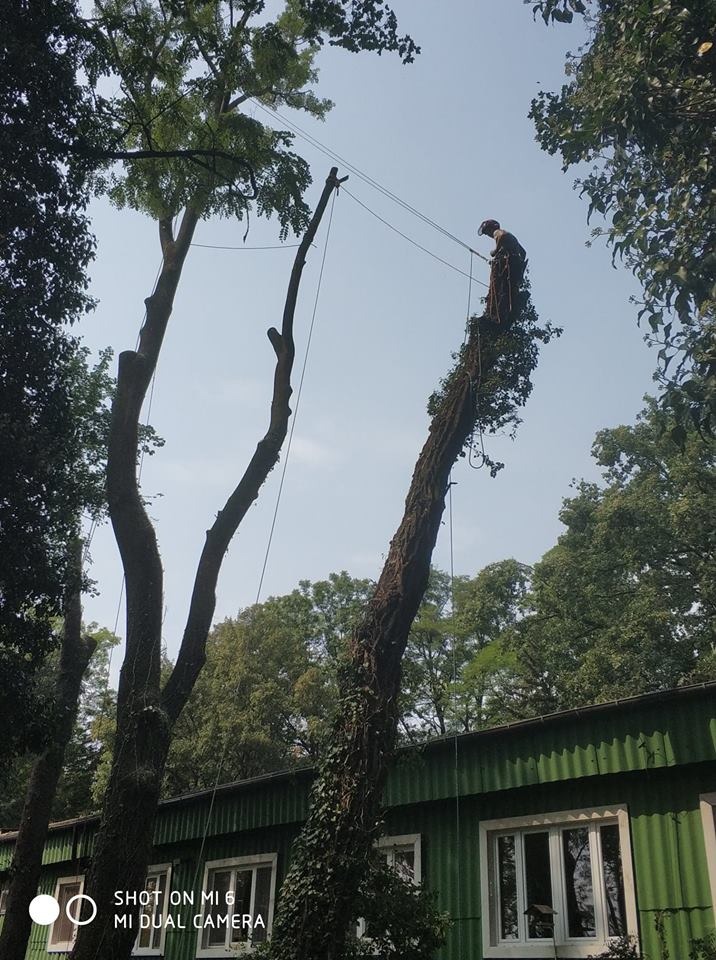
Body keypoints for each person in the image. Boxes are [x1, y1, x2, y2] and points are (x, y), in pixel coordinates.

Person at [478, 219, 527, 327]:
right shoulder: (512, 237)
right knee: (509, 293)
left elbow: (502, 235)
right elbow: (523, 252)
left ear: (491, 229)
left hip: (508, 266)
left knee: (501, 290)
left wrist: (496, 251)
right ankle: (508, 312)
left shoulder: (498, 232)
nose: (489, 235)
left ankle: (497, 316)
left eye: (487, 233)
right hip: (514, 267)